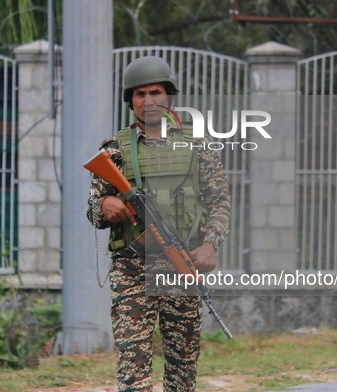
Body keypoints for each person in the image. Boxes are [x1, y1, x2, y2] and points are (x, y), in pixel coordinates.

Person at [86, 56, 230, 392]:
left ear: (169, 96)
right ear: (130, 100)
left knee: (182, 367)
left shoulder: (198, 145)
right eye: (139, 94)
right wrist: (104, 205)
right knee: (133, 365)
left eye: (155, 92)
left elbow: (219, 200)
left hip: (181, 266)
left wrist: (211, 244)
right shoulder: (114, 152)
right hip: (131, 269)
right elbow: (93, 211)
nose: (148, 101)